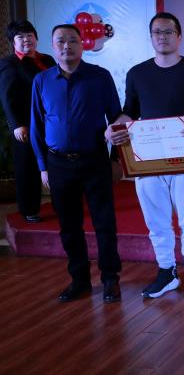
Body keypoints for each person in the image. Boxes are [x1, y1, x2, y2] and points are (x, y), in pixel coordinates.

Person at [106, 12, 184, 300]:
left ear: (179, 36)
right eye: (157, 32)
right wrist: (113, 128)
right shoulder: (137, 73)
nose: (162, 37)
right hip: (148, 160)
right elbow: (130, 111)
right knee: (156, 220)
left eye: (168, 32)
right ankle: (166, 271)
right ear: (151, 37)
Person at [30, 24, 122, 303]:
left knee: (104, 222)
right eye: (60, 41)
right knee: (69, 225)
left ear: (82, 45)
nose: (66, 46)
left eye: (72, 40)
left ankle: (110, 279)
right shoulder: (42, 81)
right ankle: (79, 280)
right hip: (58, 164)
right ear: (52, 46)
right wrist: (42, 166)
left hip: (94, 160)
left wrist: (116, 159)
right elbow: (36, 126)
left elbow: (117, 120)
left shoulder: (100, 77)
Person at [0, 20, 55, 223]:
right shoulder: (9, 63)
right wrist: (16, 125)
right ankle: (29, 209)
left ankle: (61, 204)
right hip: (26, 124)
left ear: (36, 38)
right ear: (13, 42)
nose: (26, 40)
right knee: (27, 167)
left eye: (30, 35)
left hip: (51, 121)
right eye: (20, 37)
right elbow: (7, 97)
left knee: (55, 163)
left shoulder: (47, 59)